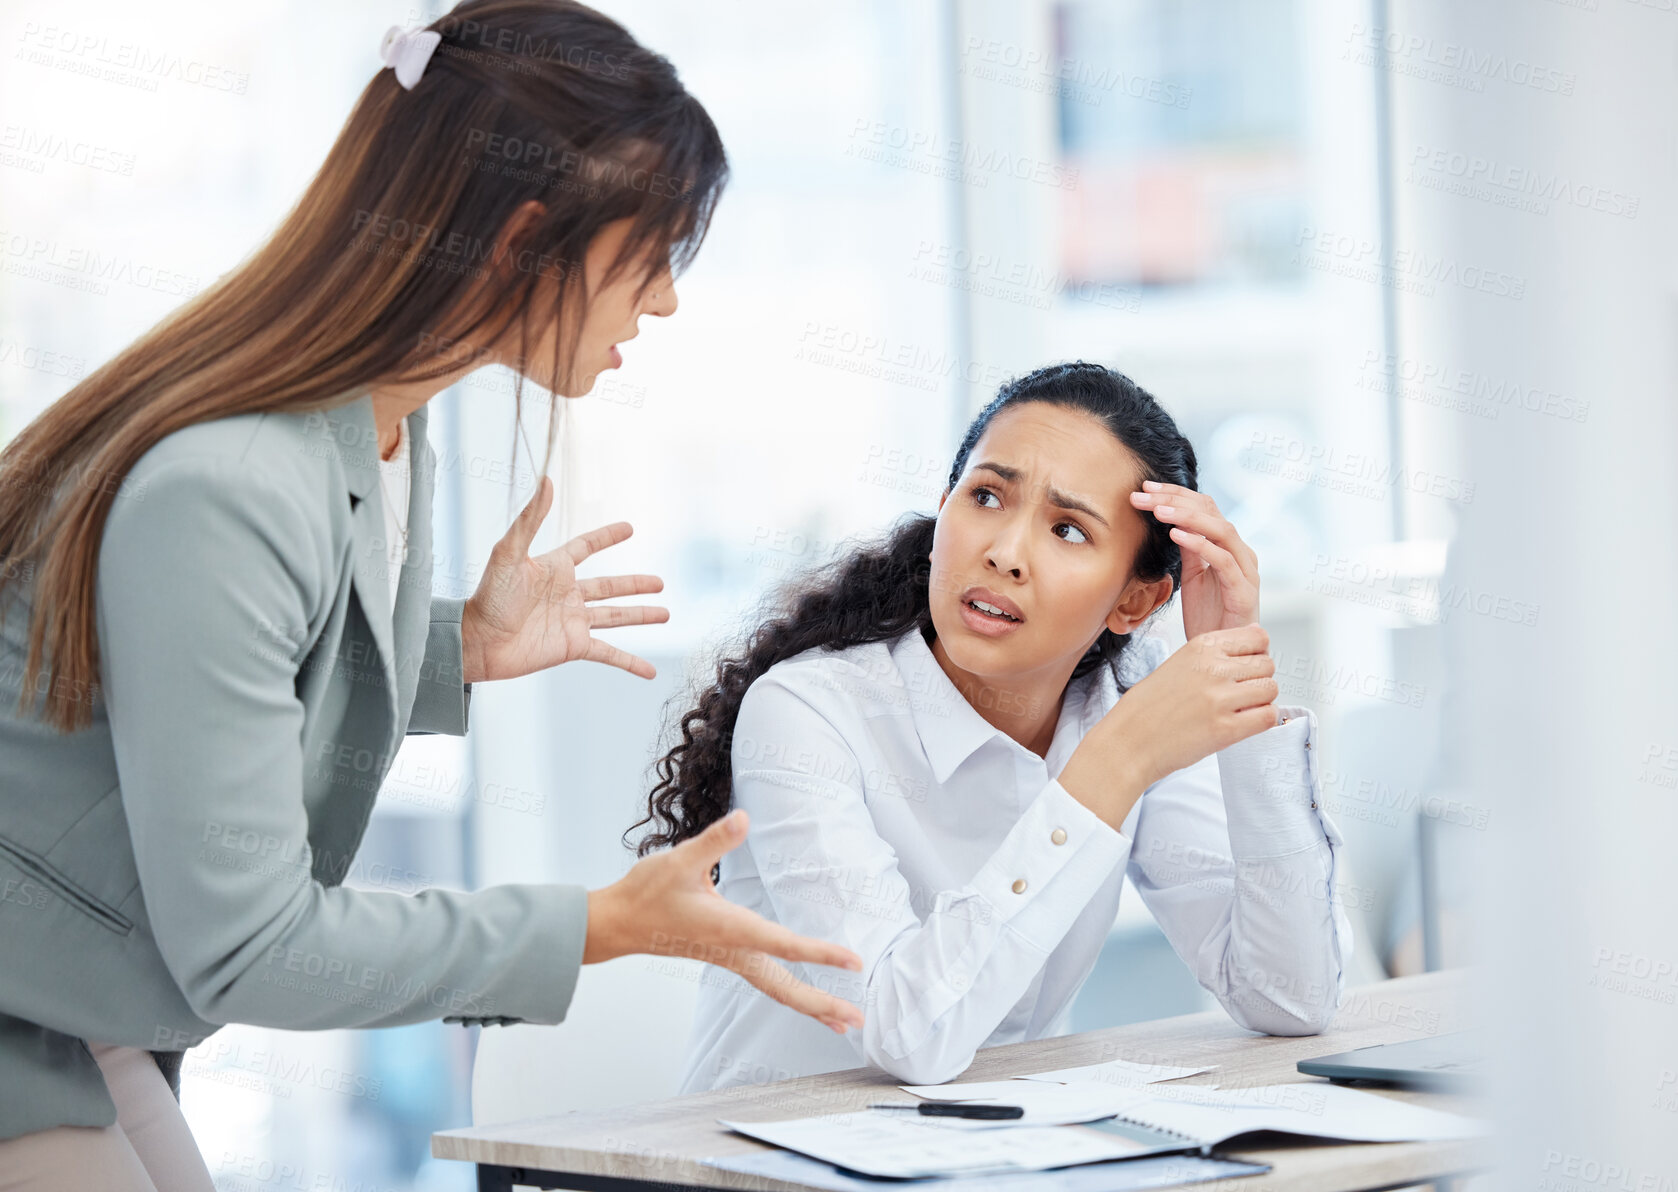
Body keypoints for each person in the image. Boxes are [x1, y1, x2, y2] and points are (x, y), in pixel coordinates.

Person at [0, 4, 862, 1188]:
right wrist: (597, 924)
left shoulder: (381, 432)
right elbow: (253, 947)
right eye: (649, 257)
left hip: (66, 994)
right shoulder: (232, 484)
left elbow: (193, 690)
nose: (659, 304)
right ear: (519, 242)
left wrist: (452, 648)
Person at [627, 361, 1355, 1092]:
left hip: (998, 1156)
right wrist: (1116, 762)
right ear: (943, 513)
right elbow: (902, 1033)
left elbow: (1289, 996)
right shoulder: (808, 711)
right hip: (766, 1162)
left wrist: (1239, 690)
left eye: (1068, 529)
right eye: (985, 497)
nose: (1005, 553)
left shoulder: (1128, 697)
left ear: (1135, 603)